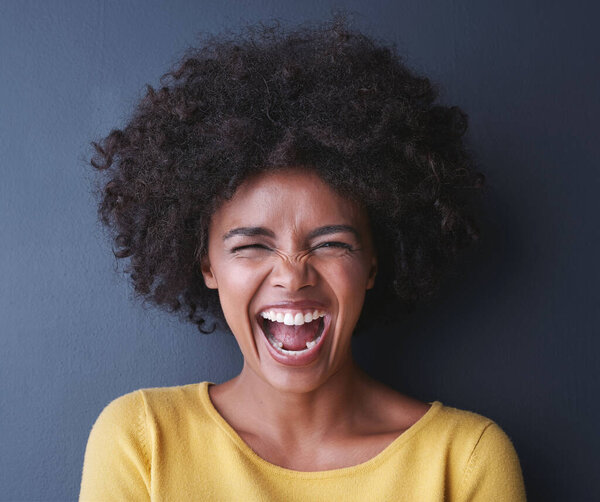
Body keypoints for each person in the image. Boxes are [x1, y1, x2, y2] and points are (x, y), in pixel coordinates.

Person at [79, 17, 526, 501]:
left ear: (373, 263)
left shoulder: (463, 459)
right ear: (206, 264)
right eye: (252, 246)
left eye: (330, 243)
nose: (293, 278)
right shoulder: (143, 441)